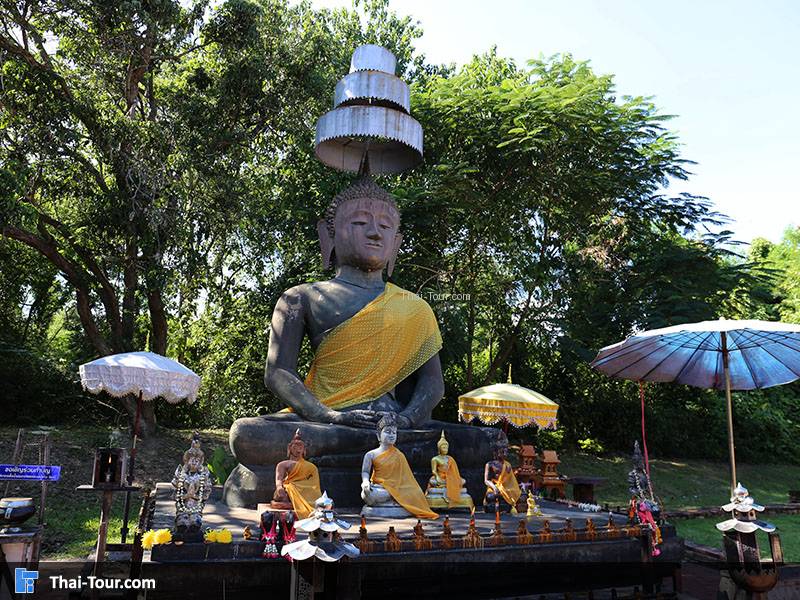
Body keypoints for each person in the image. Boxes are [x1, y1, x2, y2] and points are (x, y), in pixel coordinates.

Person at [361, 413, 438, 519]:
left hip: (397, 487)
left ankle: (396, 499)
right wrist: (365, 482)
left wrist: (400, 488)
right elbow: (365, 471)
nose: (392, 435)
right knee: (368, 494)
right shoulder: (371, 454)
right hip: (379, 488)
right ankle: (397, 500)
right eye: (388, 432)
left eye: (394, 432)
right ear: (378, 435)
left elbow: (406, 478)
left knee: (416, 492)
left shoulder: (399, 455)